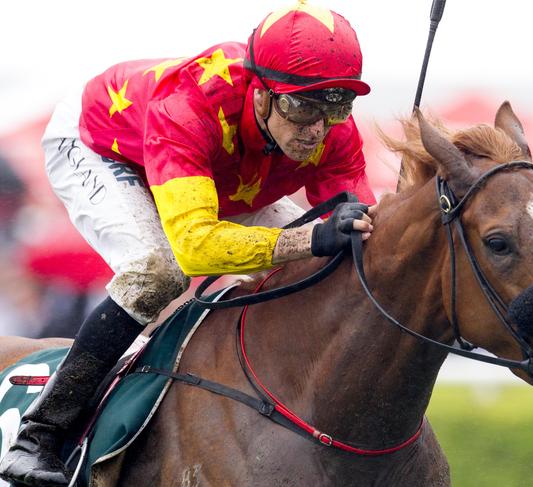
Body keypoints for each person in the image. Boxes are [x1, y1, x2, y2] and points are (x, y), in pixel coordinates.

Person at [0, 2, 376, 485]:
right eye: (302, 107)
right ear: (259, 93)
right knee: (157, 272)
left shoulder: (330, 127)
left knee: (322, 262)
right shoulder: (190, 102)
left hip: (214, 171)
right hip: (103, 145)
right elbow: (195, 247)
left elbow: (360, 232)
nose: (318, 129)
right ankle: (40, 434)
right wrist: (314, 236)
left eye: (335, 106)